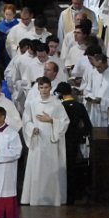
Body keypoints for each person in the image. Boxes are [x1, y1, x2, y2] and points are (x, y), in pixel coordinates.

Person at [19, 77, 70, 206]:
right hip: (37, 141)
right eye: (41, 87)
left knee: (50, 168)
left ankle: (52, 198)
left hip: (51, 142)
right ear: (38, 89)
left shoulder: (57, 104)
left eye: (46, 87)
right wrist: (32, 129)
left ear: (50, 87)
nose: (44, 90)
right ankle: (35, 198)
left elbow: (65, 122)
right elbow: (26, 121)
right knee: (36, 169)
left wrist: (52, 120)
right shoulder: (33, 103)